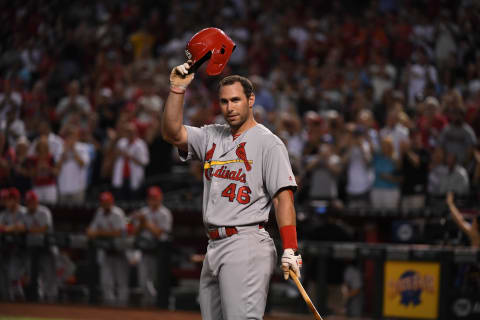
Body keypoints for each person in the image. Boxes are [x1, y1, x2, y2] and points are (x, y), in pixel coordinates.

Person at [160, 60, 302, 319]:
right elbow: (172, 133)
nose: (229, 107)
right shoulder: (212, 135)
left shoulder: (268, 143)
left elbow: (283, 199)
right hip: (214, 245)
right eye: (224, 102)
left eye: (236, 100)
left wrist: (291, 248)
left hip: (246, 242)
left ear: (251, 100)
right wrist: (177, 89)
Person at [130, 186, 172, 307]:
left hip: (159, 253)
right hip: (144, 250)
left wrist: (145, 223)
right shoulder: (143, 212)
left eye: (155, 197)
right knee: (142, 281)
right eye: (151, 198)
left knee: (156, 281)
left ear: (160, 198)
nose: (153, 200)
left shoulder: (165, 213)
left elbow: (160, 233)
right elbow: (135, 232)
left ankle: (157, 305)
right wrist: (139, 223)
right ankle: (149, 305)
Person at [86, 192, 128, 306]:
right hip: (106, 251)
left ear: (112, 202)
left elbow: (119, 232)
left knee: (121, 281)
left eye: (107, 202)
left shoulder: (118, 213)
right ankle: (109, 307)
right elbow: (90, 231)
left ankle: (122, 306)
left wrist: (99, 233)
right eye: (103, 202)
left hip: (119, 251)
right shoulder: (99, 213)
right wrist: (94, 232)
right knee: (106, 281)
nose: (105, 204)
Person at [22, 190, 58, 302]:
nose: (30, 203)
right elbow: (20, 228)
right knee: (33, 276)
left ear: (36, 201)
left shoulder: (44, 212)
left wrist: (27, 230)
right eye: (28, 201)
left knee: (49, 275)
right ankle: (39, 301)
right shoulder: (24, 213)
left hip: (47, 248)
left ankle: (51, 299)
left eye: (32, 201)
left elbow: (44, 229)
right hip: (32, 249)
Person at [0, 188, 27, 301]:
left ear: (16, 200)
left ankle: (24, 299)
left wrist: (7, 228)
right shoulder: (4, 214)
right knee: (8, 275)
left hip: (25, 249)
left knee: (15, 275)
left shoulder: (24, 212)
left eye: (8, 199)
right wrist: (9, 229)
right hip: (8, 249)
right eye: (5, 199)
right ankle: (13, 299)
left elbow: (22, 227)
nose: (5, 202)